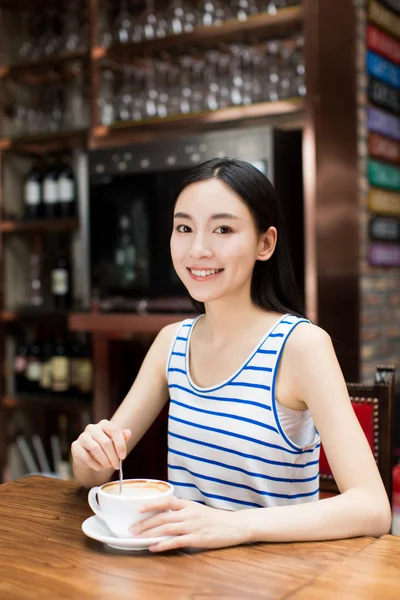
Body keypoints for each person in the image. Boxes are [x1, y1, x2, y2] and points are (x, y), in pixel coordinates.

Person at [71, 157, 391, 552]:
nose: (198, 248)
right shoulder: (172, 343)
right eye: (184, 228)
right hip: (181, 572)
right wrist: (89, 453)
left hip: (279, 576)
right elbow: (98, 471)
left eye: (223, 229)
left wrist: (234, 526)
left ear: (265, 243)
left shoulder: (301, 346)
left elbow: (372, 508)